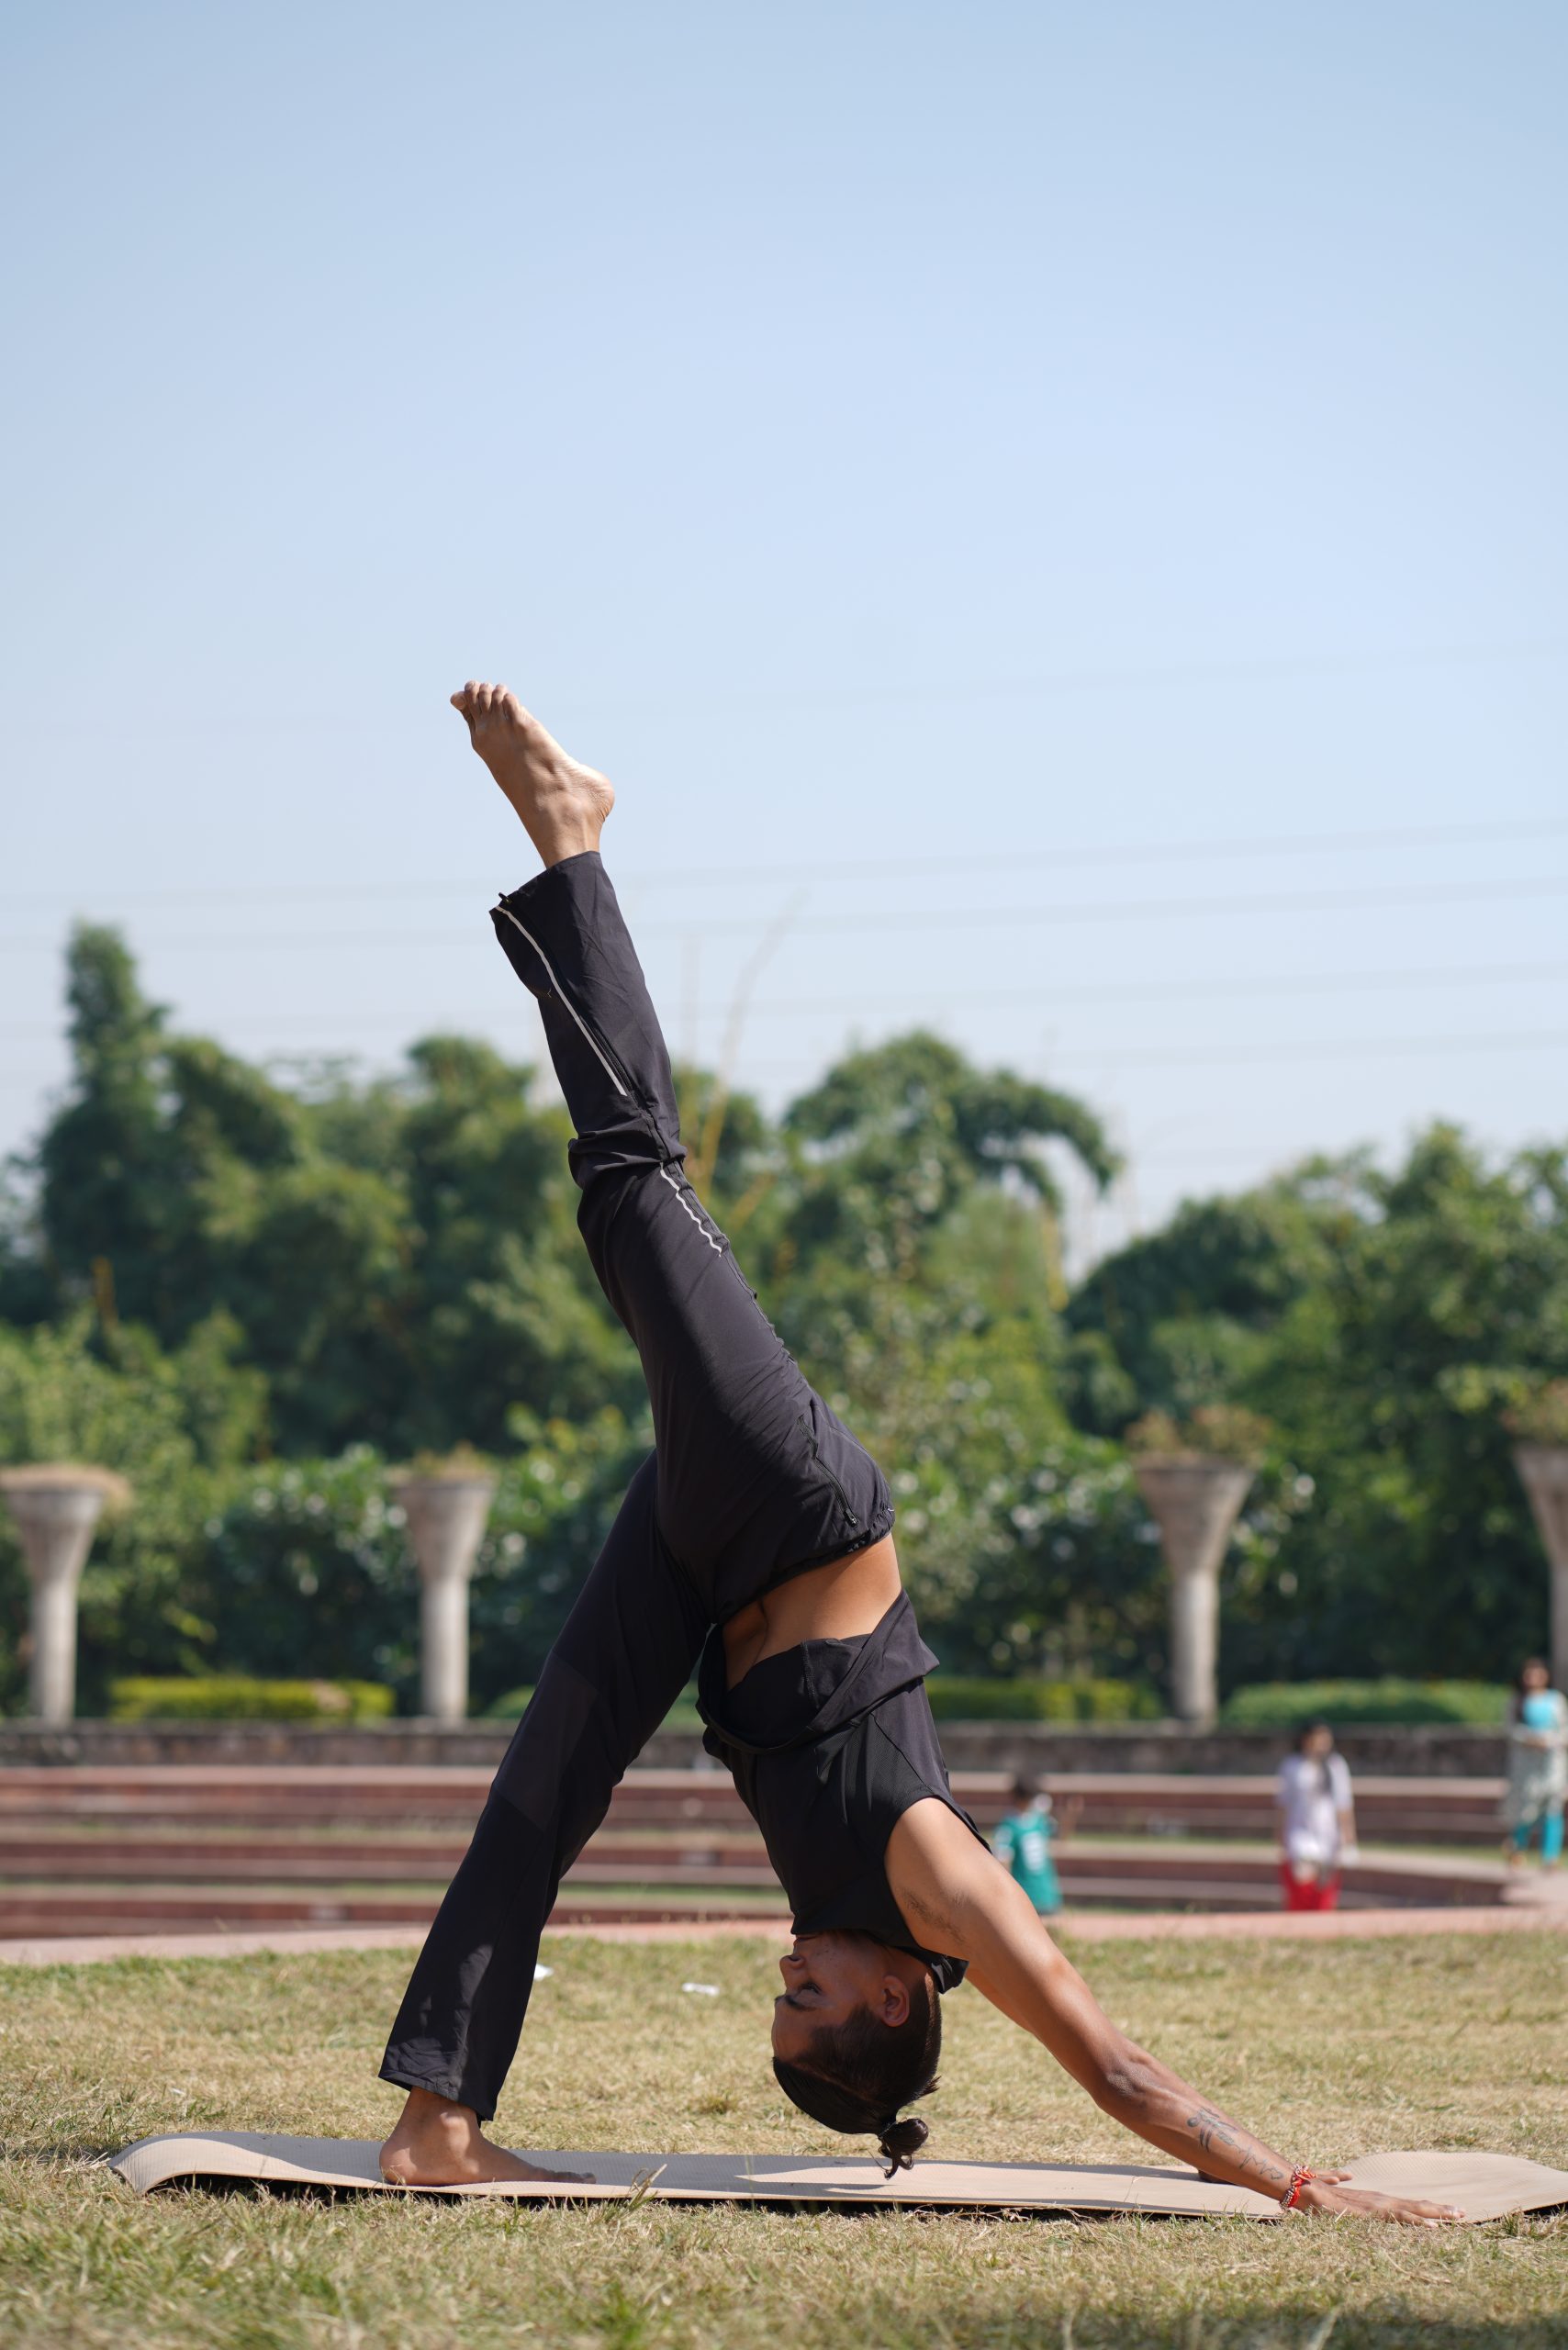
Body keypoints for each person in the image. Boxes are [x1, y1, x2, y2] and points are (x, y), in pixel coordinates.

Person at [376, 684, 1460, 2227]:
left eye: (776, 1997)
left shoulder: (834, 1906)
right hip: (790, 1502)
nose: (786, 1972)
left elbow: (784, 1887)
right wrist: (1289, 2184)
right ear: (893, 2004)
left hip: (696, 1558)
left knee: (540, 1794)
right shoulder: (939, 1879)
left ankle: (437, 2117)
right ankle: (572, 842)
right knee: (629, 1188)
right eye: (806, 2000)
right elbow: (1106, 2060)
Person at [1275, 1720, 1357, 1912]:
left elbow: (1343, 1803)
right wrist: (1279, 1832)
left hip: (1328, 1833)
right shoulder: (1293, 1765)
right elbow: (1284, 1803)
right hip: (1299, 1830)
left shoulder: (1336, 1766)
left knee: (1325, 1887)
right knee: (1302, 1882)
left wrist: (1348, 1835)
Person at [1502, 1659, 1567, 1869]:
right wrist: (1530, 1739)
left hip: (1551, 1763)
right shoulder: (1518, 1701)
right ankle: (1517, 1848)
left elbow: (1564, 1729)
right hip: (1527, 1765)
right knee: (1527, 1810)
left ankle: (1550, 1857)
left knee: (1553, 1809)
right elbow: (1511, 1730)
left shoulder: (1555, 1700)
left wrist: (1552, 1740)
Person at [991, 1776, 1074, 1916]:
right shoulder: (1008, 1828)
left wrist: (1071, 1814)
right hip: (1026, 1899)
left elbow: (1060, 1837)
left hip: (1048, 1896)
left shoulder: (1038, 1821)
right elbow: (1003, 1864)